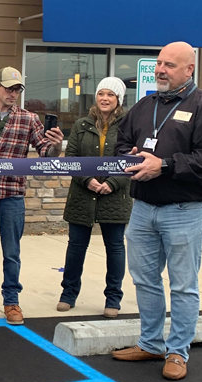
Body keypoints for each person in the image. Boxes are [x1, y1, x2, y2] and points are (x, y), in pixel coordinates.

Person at [111, 41, 202, 381]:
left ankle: (177, 352)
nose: (161, 70)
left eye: (170, 65)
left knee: (183, 286)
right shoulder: (144, 106)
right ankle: (150, 343)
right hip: (143, 208)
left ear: (188, 69)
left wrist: (163, 165)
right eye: (159, 63)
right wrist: (129, 156)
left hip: (184, 209)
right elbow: (121, 143)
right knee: (145, 281)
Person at [0, 67, 64, 325]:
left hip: (12, 194)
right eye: (8, 88)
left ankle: (11, 301)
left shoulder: (30, 119)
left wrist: (56, 145)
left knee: (12, 252)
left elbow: (45, 153)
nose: (13, 93)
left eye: (17, 89)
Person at [58, 77, 131, 318]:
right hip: (82, 195)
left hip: (115, 197)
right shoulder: (82, 124)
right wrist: (88, 179)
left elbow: (132, 161)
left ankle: (113, 298)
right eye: (101, 93)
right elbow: (71, 158)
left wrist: (112, 183)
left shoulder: (128, 126)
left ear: (118, 99)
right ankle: (68, 294)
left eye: (111, 94)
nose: (105, 98)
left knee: (115, 248)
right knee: (76, 247)